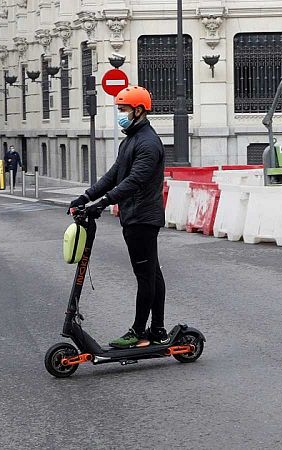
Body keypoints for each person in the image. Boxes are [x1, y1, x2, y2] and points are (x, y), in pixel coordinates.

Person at [67, 85, 167, 349]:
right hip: (135, 216)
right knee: (152, 275)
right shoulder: (131, 140)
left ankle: (139, 332)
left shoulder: (147, 143)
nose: (119, 115)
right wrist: (86, 197)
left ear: (138, 110)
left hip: (143, 217)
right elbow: (115, 175)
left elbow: (134, 181)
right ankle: (157, 329)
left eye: (123, 110)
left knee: (145, 276)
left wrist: (103, 204)